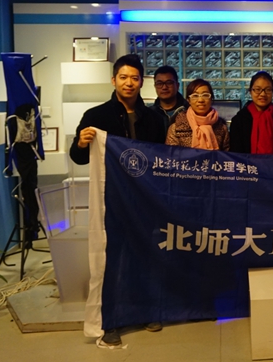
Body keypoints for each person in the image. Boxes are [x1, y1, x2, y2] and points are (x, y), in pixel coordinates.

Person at [68, 54, 165, 347]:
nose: (129, 83)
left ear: (142, 82)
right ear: (113, 80)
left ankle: (145, 311)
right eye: (123, 77)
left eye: (135, 78)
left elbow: (161, 159)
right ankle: (110, 320)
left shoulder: (154, 118)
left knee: (145, 257)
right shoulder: (96, 116)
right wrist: (81, 143)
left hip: (144, 200)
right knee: (111, 260)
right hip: (110, 201)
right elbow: (78, 157)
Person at [166, 78, 230, 150]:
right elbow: (171, 154)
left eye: (205, 95)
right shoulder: (176, 128)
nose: (200, 100)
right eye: (195, 96)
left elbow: (226, 154)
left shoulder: (221, 127)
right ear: (188, 100)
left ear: (211, 99)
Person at [229, 71, 273, 154]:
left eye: (268, 90)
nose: (263, 94)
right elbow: (236, 154)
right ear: (250, 91)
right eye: (258, 89)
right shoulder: (239, 120)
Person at [150, 65, 187, 132]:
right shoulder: (149, 114)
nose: (164, 87)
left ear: (177, 86)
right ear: (155, 86)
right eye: (159, 83)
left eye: (169, 83)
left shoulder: (189, 111)